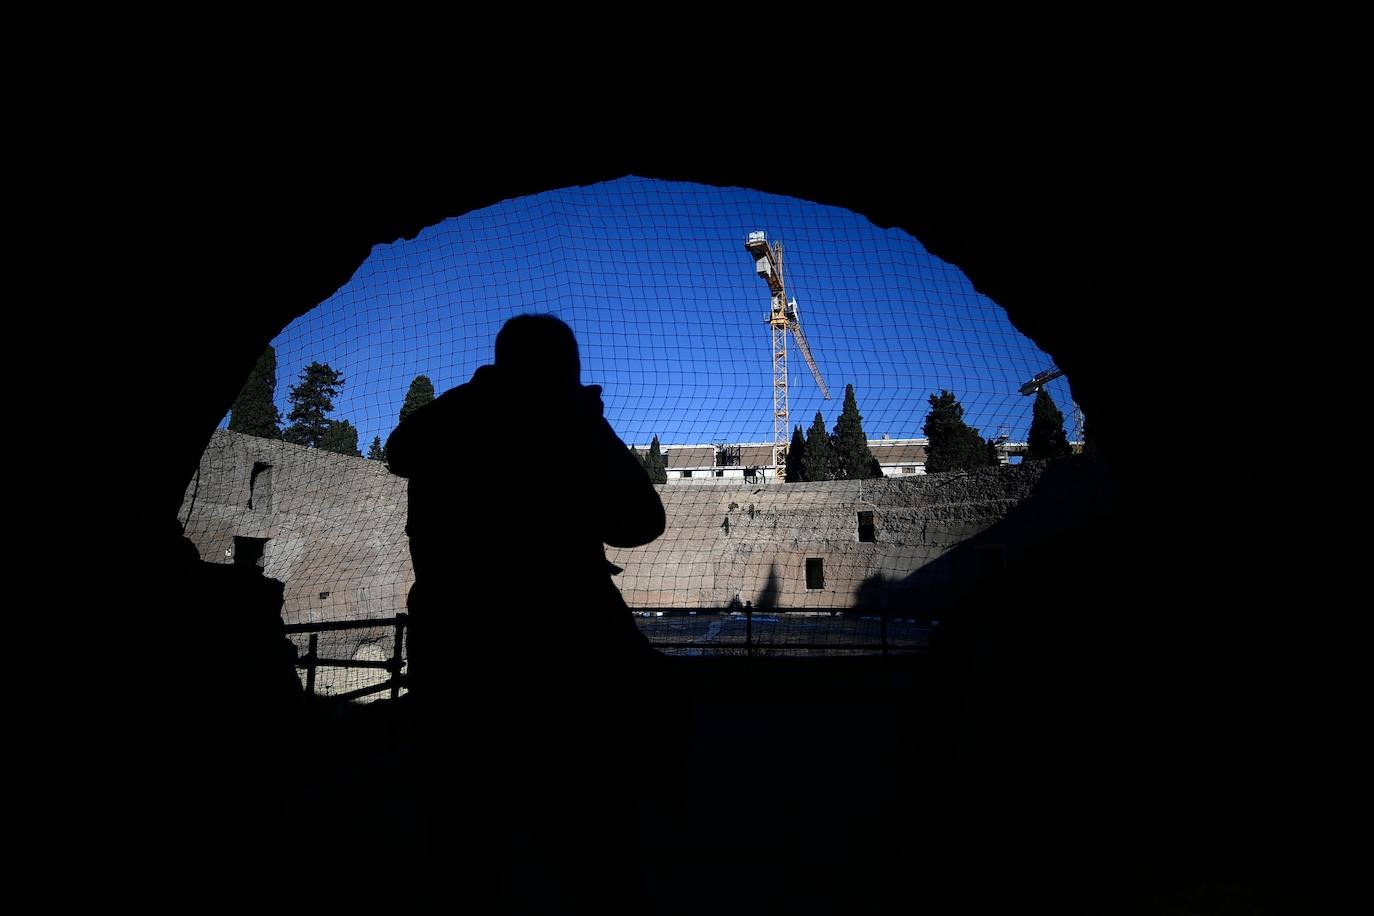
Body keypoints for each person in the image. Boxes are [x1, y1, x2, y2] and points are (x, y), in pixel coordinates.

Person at [386, 314, 670, 912]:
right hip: (560, 660)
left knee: (463, 848)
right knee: (594, 848)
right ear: (565, 369)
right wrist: (587, 422)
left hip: (454, 653)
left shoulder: (447, 423)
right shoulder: (560, 425)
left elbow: (401, 449)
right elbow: (641, 522)